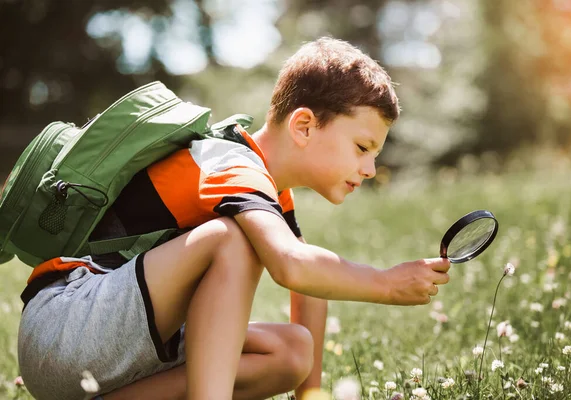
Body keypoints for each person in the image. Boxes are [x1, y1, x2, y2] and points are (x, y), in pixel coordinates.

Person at [17, 37, 451, 400]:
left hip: (111, 343)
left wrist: (311, 394)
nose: (370, 169)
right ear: (303, 126)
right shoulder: (232, 164)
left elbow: (307, 279)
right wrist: (386, 283)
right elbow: (290, 266)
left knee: (292, 353)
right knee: (231, 239)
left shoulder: (265, 186)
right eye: (361, 148)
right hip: (65, 331)